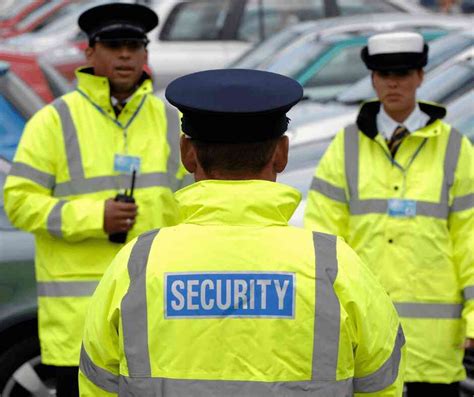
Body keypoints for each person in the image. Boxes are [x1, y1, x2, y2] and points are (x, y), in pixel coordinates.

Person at [78, 68, 405, 396]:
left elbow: (97, 383)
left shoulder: (137, 264)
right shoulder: (333, 266)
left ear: (187, 154)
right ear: (281, 154)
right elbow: (382, 382)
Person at [3, 3, 184, 395]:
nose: (125, 55)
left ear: (146, 54)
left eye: (134, 46)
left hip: (152, 322)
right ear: (89, 52)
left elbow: (195, 202)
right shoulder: (54, 122)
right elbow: (18, 201)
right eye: (114, 44)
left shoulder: (170, 121)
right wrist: (93, 217)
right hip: (79, 329)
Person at [304, 32, 474, 396]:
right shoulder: (346, 146)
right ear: (372, 78)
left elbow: (471, 237)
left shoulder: (455, 149)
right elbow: (323, 238)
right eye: (384, 74)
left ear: (421, 76)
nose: (393, 83)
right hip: (367, 336)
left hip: (435, 346)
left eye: (404, 73)